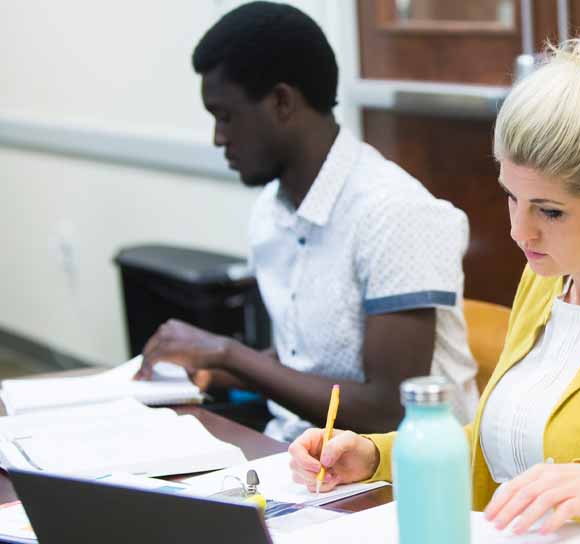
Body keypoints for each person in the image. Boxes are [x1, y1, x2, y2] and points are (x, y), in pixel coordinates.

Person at [288, 27, 580, 543]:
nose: (520, 231)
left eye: (551, 211)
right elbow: (503, 449)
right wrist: (378, 456)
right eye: (512, 198)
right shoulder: (548, 281)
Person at [134, 2, 478, 440]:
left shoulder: (394, 211)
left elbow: (388, 409)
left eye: (226, 116)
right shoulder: (271, 210)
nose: (219, 138)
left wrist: (226, 354)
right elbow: (303, 364)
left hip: (395, 473)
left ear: (281, 101)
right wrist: (208, 369)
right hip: (299, 452)